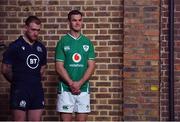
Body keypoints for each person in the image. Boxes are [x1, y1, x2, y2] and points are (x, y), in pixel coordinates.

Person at [1, 16, 47, 121]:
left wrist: (33, 80)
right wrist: (18, 81)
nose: (36, 33)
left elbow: (42, 68)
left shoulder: (41, 48)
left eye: (38, 30)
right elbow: (5, 69)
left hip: (36, 90)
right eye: (33, 30)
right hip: (20, 90)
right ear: (26, 28)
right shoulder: (15, 46)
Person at [55, 10, 96, 121]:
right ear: (69, 22)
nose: (77, 23)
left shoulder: (87, 42)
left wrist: (79, 83)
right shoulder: (63, 41)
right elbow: (59, 66)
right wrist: (71, 83)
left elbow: (91, 66)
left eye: (79, 20)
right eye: (74, 20)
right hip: (66, 89)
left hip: (83, 88)